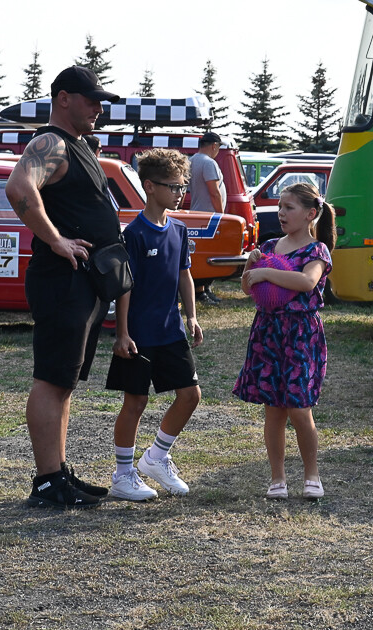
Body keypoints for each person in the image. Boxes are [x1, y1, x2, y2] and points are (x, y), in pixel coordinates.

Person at [5, 65, 121, 510]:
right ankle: (48, 481)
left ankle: (57, 471)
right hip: (63, 279)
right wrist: (55, 240)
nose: (98, 107)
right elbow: (19, 188)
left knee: (65, 381)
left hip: (84, 281)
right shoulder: (49, 142)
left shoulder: (77, 144)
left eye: (100, 100)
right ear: (63, 98)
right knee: (52, 379)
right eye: (91, 99)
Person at [106, 148, 204, 500]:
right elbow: (125, 286)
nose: (180, 193)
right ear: (149, 186)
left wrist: (191, 315)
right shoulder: (133, 234)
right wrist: (123, 332)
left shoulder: (179, 229)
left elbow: (184, 275)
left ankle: (157, 457)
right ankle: (122, 475)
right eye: (173, 187)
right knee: (135, 402)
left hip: (171, 331)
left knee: (190, 395)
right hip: (138, 335)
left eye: (182, 187)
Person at [234, 181, 335, 500]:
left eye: (288, 207)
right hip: (268, 332)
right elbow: (247, 289)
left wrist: (266, 273)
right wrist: (251, 267)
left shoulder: (316, 249)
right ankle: (277, 479)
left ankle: (312, 475)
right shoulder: (272, 246)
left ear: (310, 214)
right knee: (274, 410)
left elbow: (307, 282)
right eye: (279, 207)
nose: (281, 213)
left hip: (300, 334)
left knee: (298, 408)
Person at [189, 131, 226, 305]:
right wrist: (221, 215)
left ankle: (205, 289)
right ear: (214, 146)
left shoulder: (192, 160)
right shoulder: (209, 163)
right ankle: (200, 293)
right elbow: (214, 191)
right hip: (210, 216)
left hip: (198, 212)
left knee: (200, 255)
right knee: (208, 256)